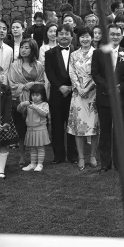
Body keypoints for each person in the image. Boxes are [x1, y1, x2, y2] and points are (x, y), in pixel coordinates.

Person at [91, 24, 124, 172]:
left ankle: (119, 163)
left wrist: (119, 87)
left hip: (122, 99)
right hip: (104, 97)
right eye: (112, 34)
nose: (115, 37)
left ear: (121, 36)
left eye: (118, 34)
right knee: (105, 132)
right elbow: (95, 74)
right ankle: (105, 163)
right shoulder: (98, 53)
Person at [6, 38, 49, 166]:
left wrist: (33, 83)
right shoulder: (15, 65)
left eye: (27, 48)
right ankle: (22, 156)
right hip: (19, 100)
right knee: (21, 129)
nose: (23, 50)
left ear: (33, 49)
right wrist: (23, 87)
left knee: (34, 127)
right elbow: (11, 83)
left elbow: (42, 82)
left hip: (36, 100)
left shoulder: (39, 65)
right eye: (22, 47)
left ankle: (35, 155)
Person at [67, 26, 100, 170]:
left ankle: (92, 155)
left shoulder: (97, 53)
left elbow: (99, 73)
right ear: (78, 39)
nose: (85, 39)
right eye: (82, 37)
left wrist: (87, 88)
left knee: (94, 126)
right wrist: (79, 88)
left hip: (93, 93)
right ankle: (80, 157)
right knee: (79, 126)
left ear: (92, 37)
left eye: (87, 36)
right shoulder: (73, 54)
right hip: (78, 94)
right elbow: (71, 71)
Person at [44, 25, 77, 164]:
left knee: (72, 125)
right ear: (56, 36)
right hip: (57, 94)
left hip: (74, 94)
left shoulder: (78, 52)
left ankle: (73, 155)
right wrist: (60, 86)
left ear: (71, 36)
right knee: (57, 126)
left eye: (67, 33)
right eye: (61, 34)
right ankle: (58, 156)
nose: (64, 36)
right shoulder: (50, 53)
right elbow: (49, 72)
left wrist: (71, 87)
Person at [17, 83, 51, 171]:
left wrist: (35, 107)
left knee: (40, 147)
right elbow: (19, 110)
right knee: (32, 147)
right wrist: (22, 104)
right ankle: (32, 164)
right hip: (30, 129)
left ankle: (40, 164)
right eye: (32, 95)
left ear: (42, 95)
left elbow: (45, 113)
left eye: (37, 95)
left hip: (40, 129)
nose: (34, 97)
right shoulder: (28, 104)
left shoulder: (44, 104)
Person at [0, 83, 18, 179]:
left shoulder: (6, 88)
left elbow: (8, 106)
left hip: (3, 119)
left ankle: (1, 170)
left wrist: (6, 122)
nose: (1, 76)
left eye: (1, 74)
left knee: (3, 144)